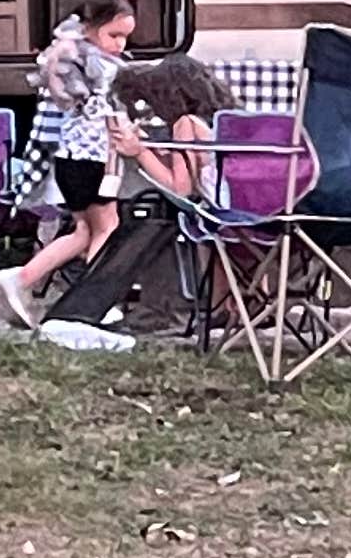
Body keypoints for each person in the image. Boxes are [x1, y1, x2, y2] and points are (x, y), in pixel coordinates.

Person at [29, 56, 227, 353]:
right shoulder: (211, 120)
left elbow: (181, 188)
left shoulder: (185, 123)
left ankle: (109, 308)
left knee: (150, 212)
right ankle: (149, 309)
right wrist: (154, 148)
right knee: (153, 209)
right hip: (229, 211)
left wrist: (139, 151)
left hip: (208, 215)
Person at [0, 0, 134, 326]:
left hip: (70, 159)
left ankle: (21, 277)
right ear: (91, 27)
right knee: (107, 226)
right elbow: (107, 112)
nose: (121, 45)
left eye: (126, 37)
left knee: (83, 230)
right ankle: (95, 301)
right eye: (114, 35)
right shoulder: (95, 65)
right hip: (94, 160)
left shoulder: (67, 58)